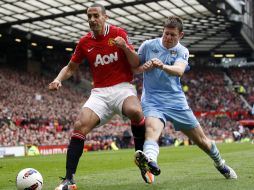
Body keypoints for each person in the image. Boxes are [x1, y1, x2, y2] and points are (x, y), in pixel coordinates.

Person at [49, 3, 146, 190]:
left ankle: (141, 159)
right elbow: (71, 67)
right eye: (89, 16)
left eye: (96, 16)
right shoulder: (85, 42)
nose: (92, 20)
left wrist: (125, 47)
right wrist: (58, 79)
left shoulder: (119, 33)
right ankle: (69, 180)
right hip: (100, 93)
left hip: (122, 88)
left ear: (105, 17)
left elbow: (135, 63)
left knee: (135, 111)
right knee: (79, 125)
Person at [133, 16, 237, 184]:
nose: (168, 38)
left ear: (181, 35)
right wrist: (141, 68)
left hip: (176, 101)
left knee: (202, 141)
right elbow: (134, 67)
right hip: (152, 100)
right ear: (162, 31)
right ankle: (151, 161)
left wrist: (162, 66)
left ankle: (220, 163)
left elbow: (179, 70)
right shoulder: (147, 46)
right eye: (166, 33)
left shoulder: (182, 51)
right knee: (152, 129)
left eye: (173, 35)